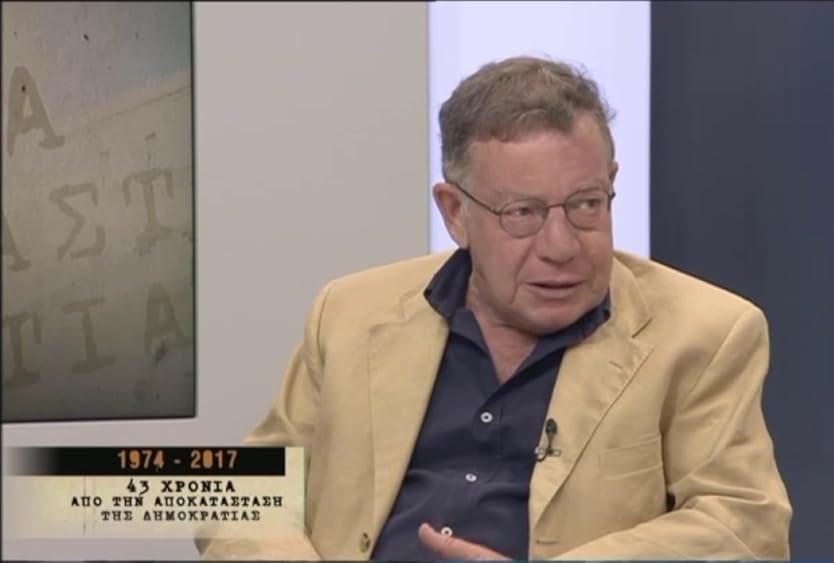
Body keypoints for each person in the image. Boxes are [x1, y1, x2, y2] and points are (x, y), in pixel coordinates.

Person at [197, 55, 791, 560]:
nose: (561, 246)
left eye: (586, 204)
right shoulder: (349, 312)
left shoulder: (705, 334)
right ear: (455, 212)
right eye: (522, 214)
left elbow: (744, 526)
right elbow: (243, 494)